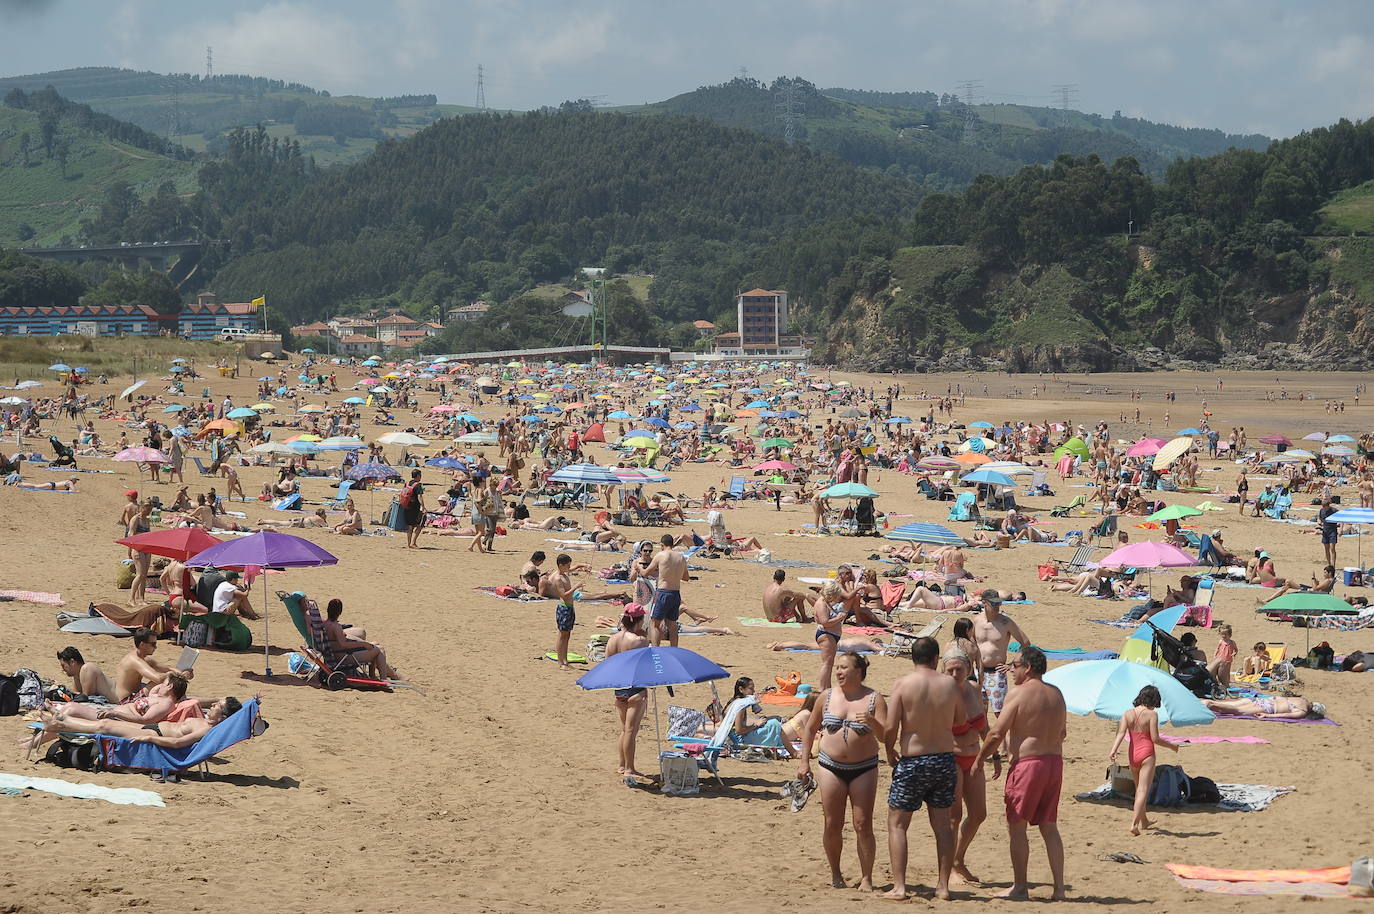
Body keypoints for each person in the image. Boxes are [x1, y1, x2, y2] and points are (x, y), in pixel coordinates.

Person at [974, 646, 1068, 901]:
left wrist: (980, 759)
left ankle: (1020, 887)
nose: (1012, 669)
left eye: (1015, 665)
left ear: (1028, 668)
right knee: (1049, 827)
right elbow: (1062, 733)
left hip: (1029, 765)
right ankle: (1059, 889)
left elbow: (996, 733)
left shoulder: (1018, 694)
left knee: (1017, 826)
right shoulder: (1057, 694)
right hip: (1054, 762)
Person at [881, 636, 964, 901]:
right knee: (942, 827)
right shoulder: (950, 684)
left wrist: (889, 749)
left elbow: (890, 727)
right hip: (943, 759)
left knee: (898, 824)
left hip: (913, 760)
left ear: (913, 658)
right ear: (935, 658)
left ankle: (900, 887)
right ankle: (942, 886)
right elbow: (961, 720)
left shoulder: (904, 684)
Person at [798, 652, 887, 892]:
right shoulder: (826, 696)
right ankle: (836, 874)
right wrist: (804, 762)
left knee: (863, 823)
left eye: (844, 668)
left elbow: (886, 736)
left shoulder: (874, 698)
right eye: (837, 667)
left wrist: (872, 722)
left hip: (864, 767)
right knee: (832, 823)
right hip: (830, 766)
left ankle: (866, 877)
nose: (838, 672)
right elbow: (810, 729)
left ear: (858, 671)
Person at [33, 697, 244, 783]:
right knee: (108, 722)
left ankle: (61, 722)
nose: (214, 705)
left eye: (218, 705)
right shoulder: (206, 723)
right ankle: (62, 718)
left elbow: (178, 744)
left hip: (154, 737)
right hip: (152, 729)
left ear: (223, 717)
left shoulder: (206, 731)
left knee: (106, 727)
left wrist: (149, 739)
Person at [943, 649, 997, 885]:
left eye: (959, 669)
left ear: (968, 670)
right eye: (950, 670)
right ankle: (950, 869)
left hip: (975, 756)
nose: (955, 673)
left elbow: (984, 727)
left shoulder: (974, 691)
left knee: (978, 814)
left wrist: (994, 755)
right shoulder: (941, 694)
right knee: (954, 816)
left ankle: (958, 859)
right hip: (951, 758)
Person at [1107, 685, 1179, 835]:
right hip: (1147, 754)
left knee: (1138, 787)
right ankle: (1134, 824)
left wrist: (1113, 750)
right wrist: (1172, 746)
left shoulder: (1127, 714)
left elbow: (1120, 734)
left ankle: (1144, 821)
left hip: (1132, 754)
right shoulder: (1152, 715)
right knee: (1143, 789)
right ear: (1153, 700)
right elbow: (1155, 739)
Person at [606, 605, 650, 785]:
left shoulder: (612, 639)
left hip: (619, 687)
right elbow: (645, 665)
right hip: (635, 687)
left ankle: (622, 765)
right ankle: (630, 768)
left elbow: (608, 664)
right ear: (638, 620)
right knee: (631, 731)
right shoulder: (639, 641)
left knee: (624, 729)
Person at [972, 590, 1031, 717]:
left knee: (1000, 712)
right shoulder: (976, 620)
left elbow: (1025, 643)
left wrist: (1012, 664)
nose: (997, 607)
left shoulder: (1006, 622)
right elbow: (971, 642)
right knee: (979, 711)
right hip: (978, 670)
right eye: (993, 604)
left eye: (998, 604)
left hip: (997, 672)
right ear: (984, 603)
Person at [321, 598, 401, 679]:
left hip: (334, 654)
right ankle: (384, 679)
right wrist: (363, 644)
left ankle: (373, 676)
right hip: (343, 657)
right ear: (340, 612)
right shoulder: (336, 626)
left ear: (328, 610)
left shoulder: (324, 623)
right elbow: (343, 644)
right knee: (379, 649)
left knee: (375, 645)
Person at [113, 627, 194, 701]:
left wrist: (182, 672)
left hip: (136, 693)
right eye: (153, 644)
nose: (155, 647)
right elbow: (158, 678)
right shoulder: (135, 661)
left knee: (167, 681)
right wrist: (179, 675)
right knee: (163, 681)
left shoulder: (143, 658)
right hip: (127, 700)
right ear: (142, 645)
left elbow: (168, 668)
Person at [644, 534, 690, 648]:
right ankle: (674, 649)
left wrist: (638, 568)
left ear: (662, 545)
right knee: (672, 625)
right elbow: (686, 578)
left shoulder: (660, 555)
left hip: (663, 592)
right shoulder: (681, 557)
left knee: (654, 623)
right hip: (675, 593)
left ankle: (655, 650)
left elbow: (645, 573)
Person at [540, 554, 578, 671]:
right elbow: (563, 595)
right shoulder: (557, 578)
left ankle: (565, 660)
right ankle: (560, 662)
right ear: (561, 565)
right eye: (567, 565)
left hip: (570, 607)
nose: (569, 567)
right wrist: (576, 586)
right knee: (562, 636)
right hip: (564, 608)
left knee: (567, 635)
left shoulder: (564, 573)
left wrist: (583, 566)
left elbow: (573, 568)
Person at [812, 580, 846, 691]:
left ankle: (827, 687)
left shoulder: (825, 602)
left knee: (830, 663)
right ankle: (823, 689)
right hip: (826, 635)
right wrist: (839, 618)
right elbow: (825, 622)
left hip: (831, 635)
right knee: (827, 663)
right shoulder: (821, 603)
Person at [1204, 695, 1326, 720]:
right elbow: (1285, 715)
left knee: (1231, 704)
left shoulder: (1302, 699)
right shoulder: (1302, 711)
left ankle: (1204, 702)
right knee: (1236, 711)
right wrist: (1267, 715)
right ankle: (1210, 705)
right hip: (1267, 707)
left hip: (1263, 699)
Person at [1207, 624, 1237, 691]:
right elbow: (1217, 649)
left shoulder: (1232, 642)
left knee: (1227, 671)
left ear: (1230, 635)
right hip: (1221, 657)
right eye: (1222, 634)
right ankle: (1220, 682)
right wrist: (1215, 655)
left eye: (1225, 634)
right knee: (1219, 670)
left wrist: (1234, 653)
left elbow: (1236, 649)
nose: (1223, 636)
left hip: (1228, 658)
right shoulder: (1221, 641)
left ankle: (1227, 681)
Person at [401, 468, 425, 549]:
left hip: (406, 506)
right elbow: (419, 496)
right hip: (414, 508)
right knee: (419, 525)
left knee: (409, 526)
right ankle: (413, 542)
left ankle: (408, 544)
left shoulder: (407, 483)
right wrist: (423, 506)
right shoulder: (418, 485)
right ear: (418, 476)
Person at [1319, 496, 1339, 568]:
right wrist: (1319, 522)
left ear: (1328, 506)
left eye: (1325, 507)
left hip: (1332, 531)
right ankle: (1329, 564)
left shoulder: (1334, 511)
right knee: (1326, 548)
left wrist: (1341, 528)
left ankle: (1333, 564)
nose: (1324, 508)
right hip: (1325, 531)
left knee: (1332, 548)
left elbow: (1341, 517)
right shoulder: (1321, 510)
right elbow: (1320, 518)